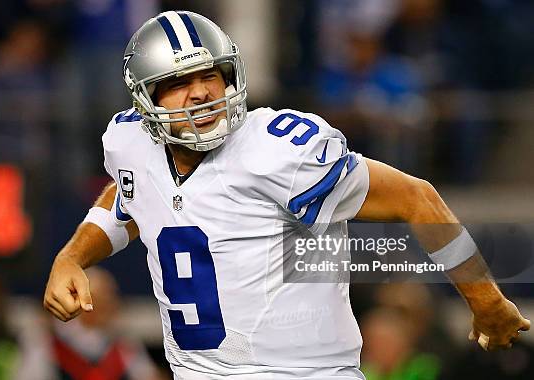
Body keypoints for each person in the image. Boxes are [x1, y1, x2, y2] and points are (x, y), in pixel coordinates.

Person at [44, 11, 529, 380]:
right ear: (144, 99)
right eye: (177, 83)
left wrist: (485, 300)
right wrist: (73, 258)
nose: (200, 93)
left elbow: (416, 199)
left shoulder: (280, 151)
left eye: (210, 75)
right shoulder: (131, 144)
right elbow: (129, 198)